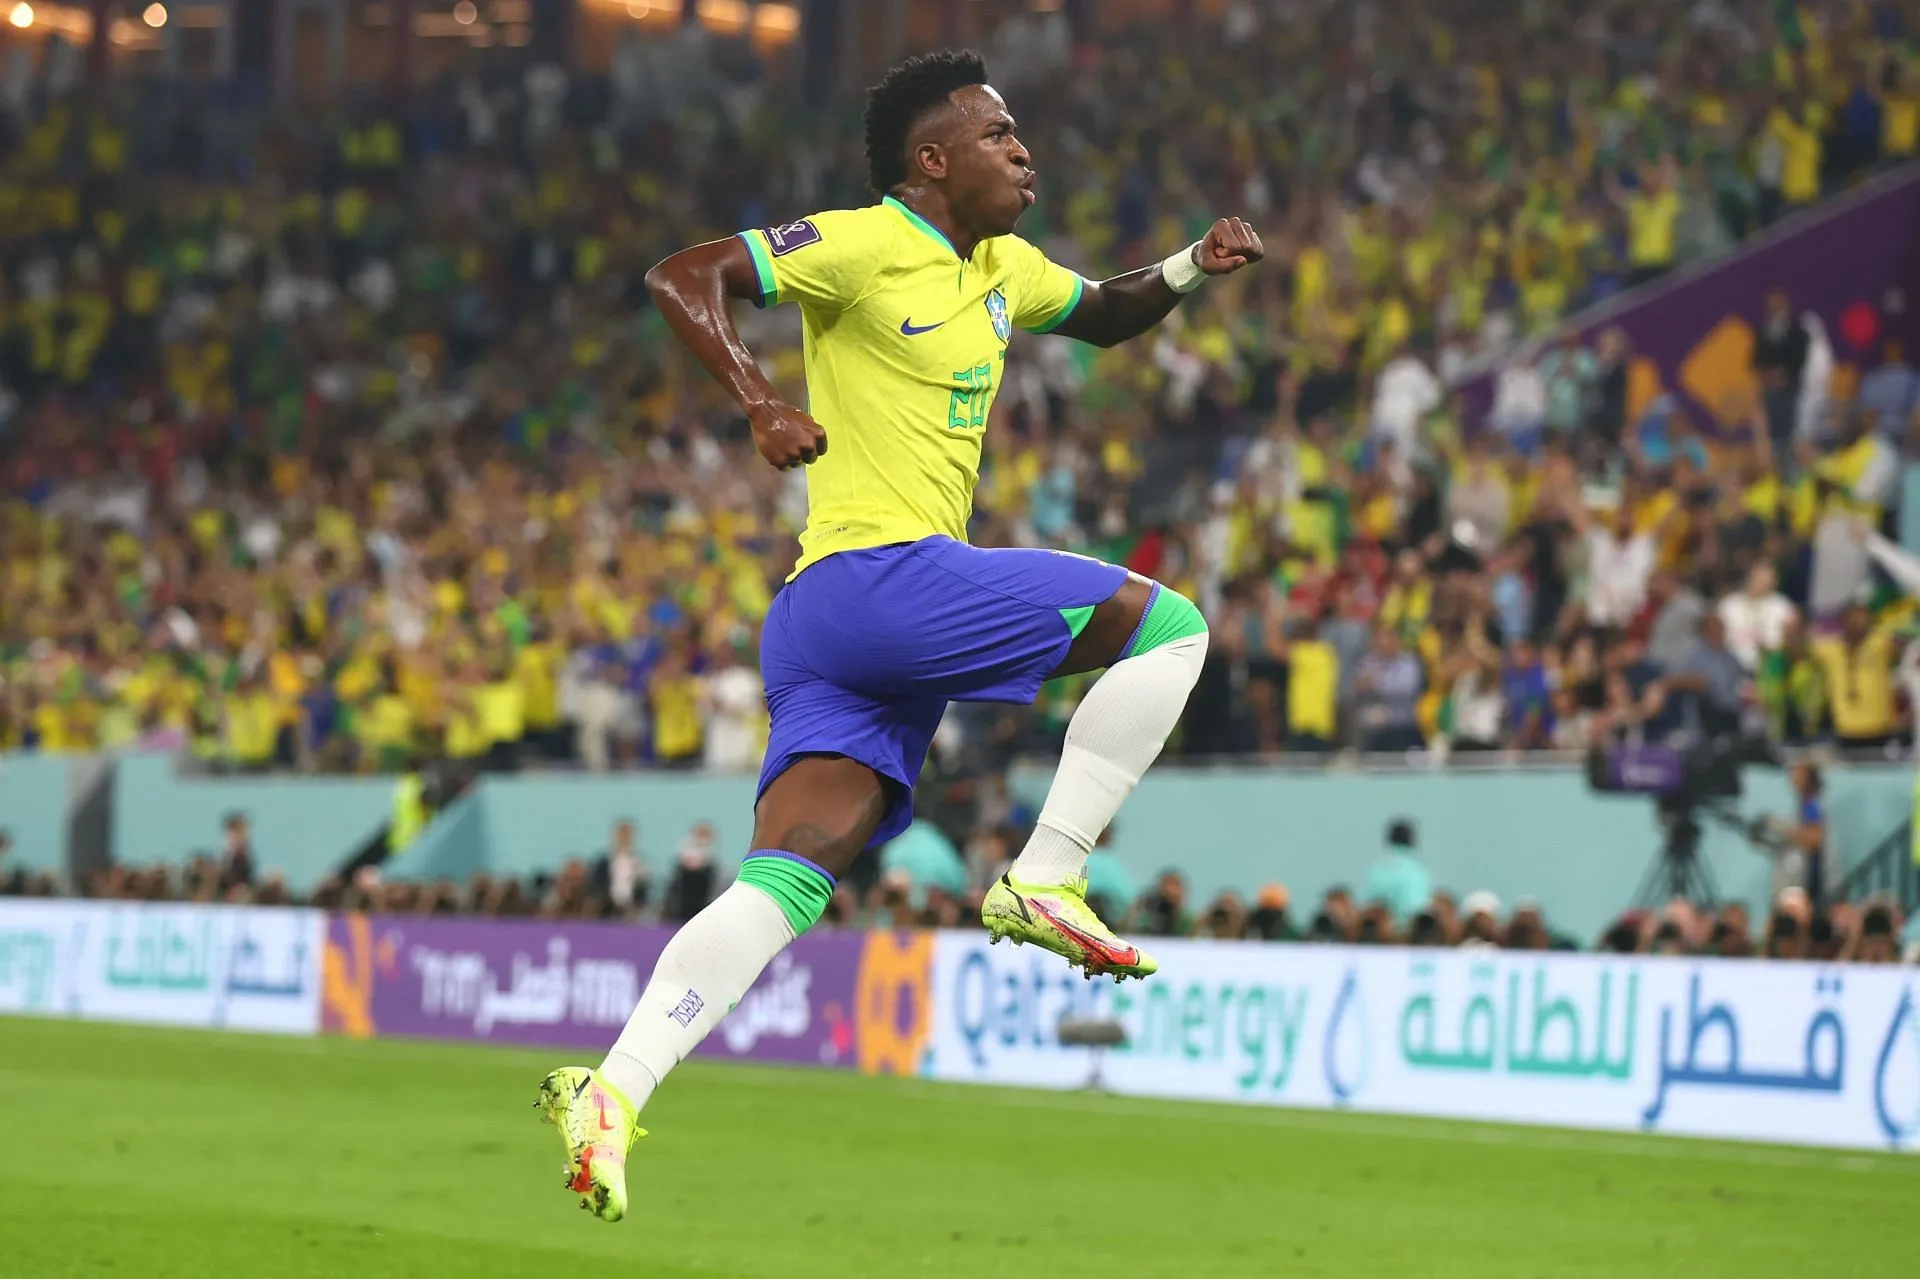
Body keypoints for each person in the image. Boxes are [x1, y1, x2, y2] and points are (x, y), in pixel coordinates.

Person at [534, 49, 1263, 1221]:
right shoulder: (864, 242)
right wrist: (760, 397)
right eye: (999, 135)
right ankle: (1049, 872)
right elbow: (684, 275)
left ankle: (613, 1092)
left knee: (788, 877)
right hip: (878, 581)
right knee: (1171, 626)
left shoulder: (1004, 269)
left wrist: (1190, 264)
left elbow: (1111, 315)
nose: (1025, 151)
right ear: (933, 161)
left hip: (831, 630)